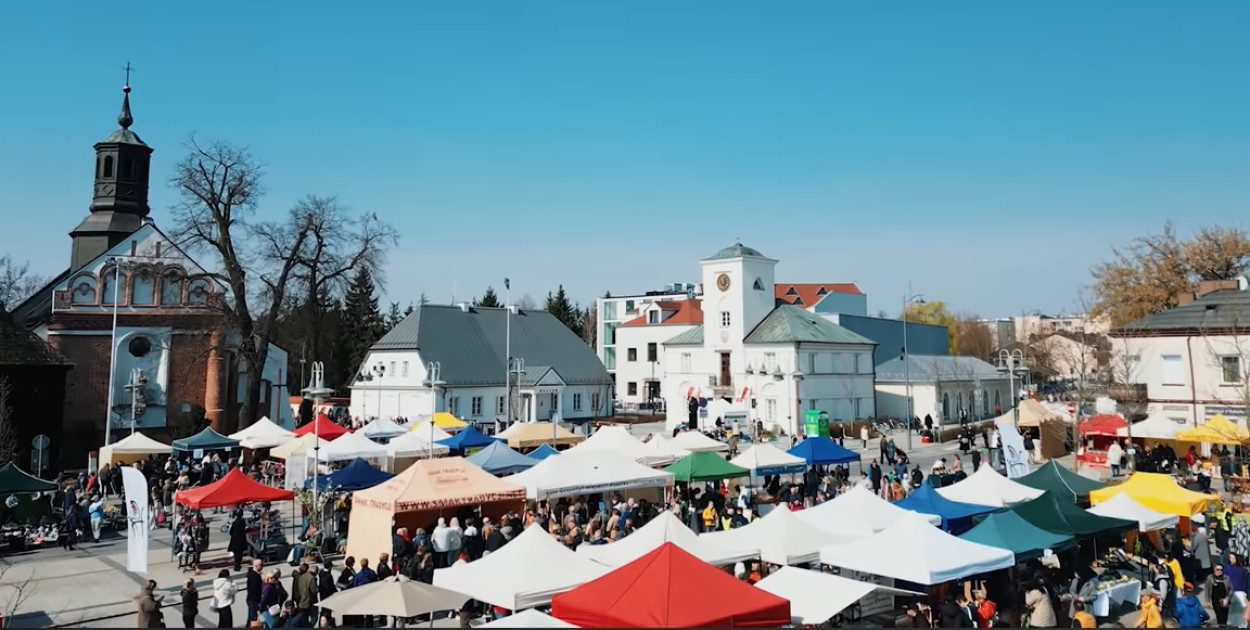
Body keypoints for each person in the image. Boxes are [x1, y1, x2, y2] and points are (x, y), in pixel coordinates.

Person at [246, 558, 264, 624]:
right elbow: (254, 590)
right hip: (253, 600)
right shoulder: (254, 576)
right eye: (261, 565)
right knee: (253, 618)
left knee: (251, 617)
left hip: (251, 599)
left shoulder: (253, 574)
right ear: (256, 566)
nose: (262, 567)